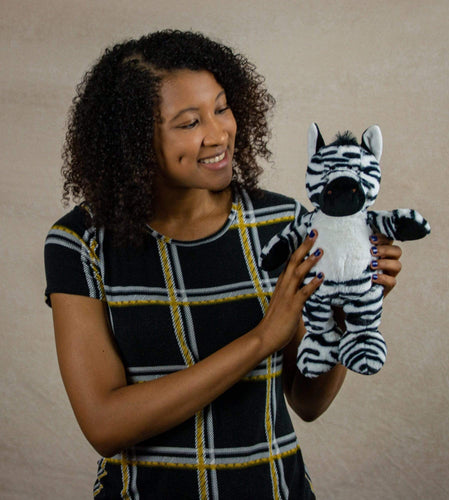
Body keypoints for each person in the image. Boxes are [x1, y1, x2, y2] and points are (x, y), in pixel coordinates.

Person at [44, 30, 402, 499]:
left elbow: (307, 402)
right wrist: (260, 340)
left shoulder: (282, 223)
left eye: (221, 107)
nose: (218, 134)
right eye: (189, 122)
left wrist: (344, 311)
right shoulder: (81, 242)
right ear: (134, 140)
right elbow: (105, 424)